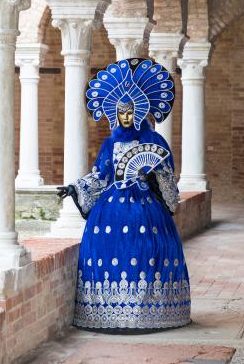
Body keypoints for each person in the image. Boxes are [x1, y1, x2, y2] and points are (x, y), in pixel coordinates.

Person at [57, 58, 190, 330]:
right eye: (120, 113)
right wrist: (75, 187)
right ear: (114, 113)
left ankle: (147, 312)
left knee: (146, 252)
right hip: (111, 207)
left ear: (140, 112)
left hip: (145, 206)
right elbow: (100, 175)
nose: (125, 118)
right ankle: (108, 312)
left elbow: (165, 175)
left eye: (130, 112)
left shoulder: (152, 141)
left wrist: (162, 181)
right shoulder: (110, 143)